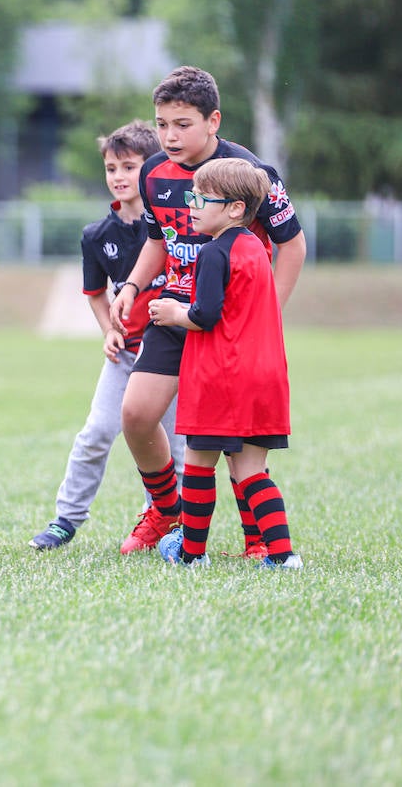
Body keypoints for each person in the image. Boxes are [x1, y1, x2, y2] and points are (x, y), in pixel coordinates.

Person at [111, 66, 306, 557]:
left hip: (231, 323)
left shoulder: (249, 174)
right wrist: (133, 285)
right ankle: (165, 511)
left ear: (213, 120)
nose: (170, 135)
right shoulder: (153, 172)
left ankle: (258, 539)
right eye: (162, 124)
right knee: (135, 413)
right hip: (176, 311)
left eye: (182, 124)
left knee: (237, 435)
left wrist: (267, 316)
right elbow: (159, 240)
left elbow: (293, 245)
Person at [28, 121, 185, 550]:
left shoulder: (176, 227)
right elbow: (96, 293)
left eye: (128, 167)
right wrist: (108, 330)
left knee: (178, 446)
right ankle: (66, 519)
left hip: (174, 355)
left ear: (151, 169)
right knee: (96, 433)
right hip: (128, 355)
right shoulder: (96, 236)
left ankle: (175, 523)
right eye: (111, 168)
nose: (118, 176)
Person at [150, 157, 301, 568]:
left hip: (221, 375)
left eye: (201, 198)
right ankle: (283, 556)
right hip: (263, 374)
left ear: (236, 208)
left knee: (199, 464)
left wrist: (172, 313)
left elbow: (204, 316)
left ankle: (191, 554)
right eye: (190, 196)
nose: (191, 206)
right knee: (252, 469)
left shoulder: (215, 253)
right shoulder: (256, 248)